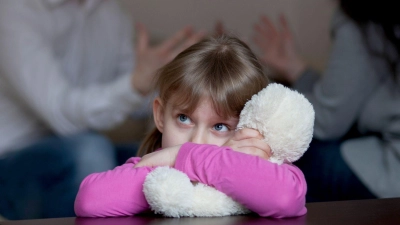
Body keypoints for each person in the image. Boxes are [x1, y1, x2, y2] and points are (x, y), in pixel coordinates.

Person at [0, 0, 204, 220]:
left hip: (87, 149)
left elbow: (135, 99)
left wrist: (198, 89)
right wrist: (135, 84)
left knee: (159, 155)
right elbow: (62, 115)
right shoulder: (15, 11)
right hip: (13, 160)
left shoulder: (110, 12)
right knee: (91, 150)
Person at [74, 35, 307, 218]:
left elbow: (286, 198)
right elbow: (89, 200)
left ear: (250, 127)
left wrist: (191, 157)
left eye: (220, 126)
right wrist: (180, 161)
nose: (197, 142)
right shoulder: (155, 169)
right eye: (184, 119)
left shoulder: (262, 165)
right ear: (160, 115)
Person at [253, 0, 400, 202]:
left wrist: (255, 103)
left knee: (288, 160)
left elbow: (328, 122)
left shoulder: (365, 17)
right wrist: (296, 70)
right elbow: (343, 100)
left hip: (392, 172)